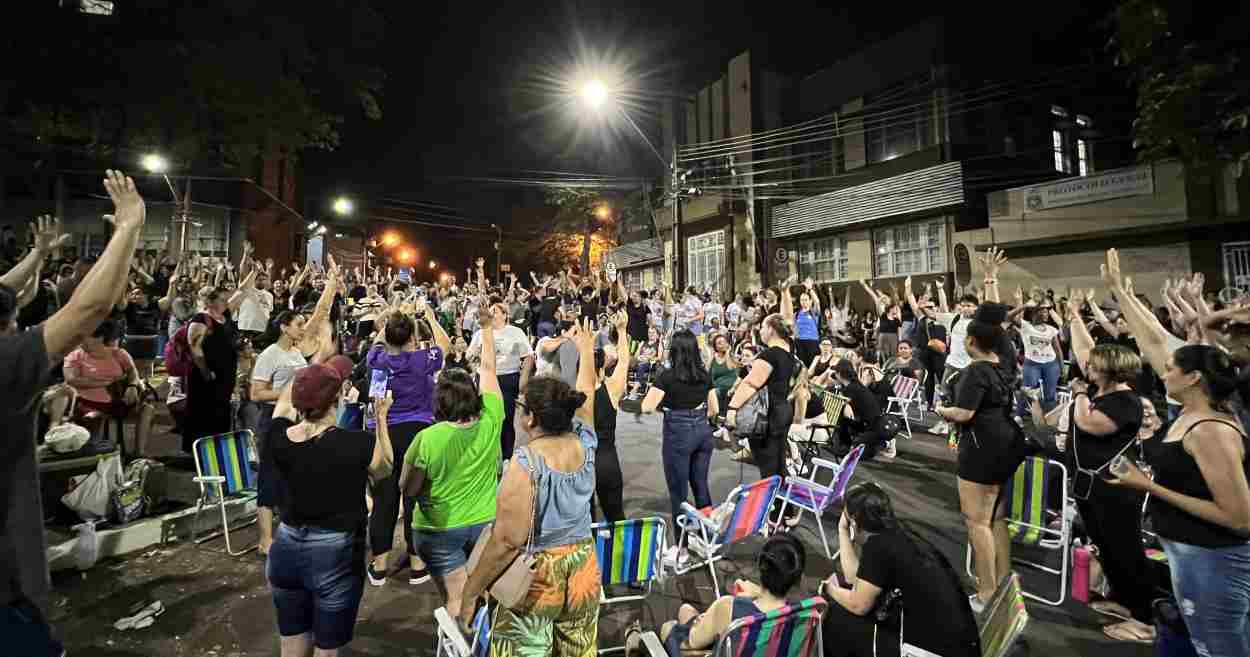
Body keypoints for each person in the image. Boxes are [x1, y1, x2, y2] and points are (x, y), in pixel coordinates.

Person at [2, 176, 143, 655]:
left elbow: (6, 291)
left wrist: (38, 256)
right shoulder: (5, 363)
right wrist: (128, 227)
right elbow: (89, 308)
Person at [1100, 250, 1250, 654]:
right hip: (1190, 555)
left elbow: (1239, 518)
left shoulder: (1213, 430)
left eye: (1170, 369)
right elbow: (1151, 339)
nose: (1161, 372)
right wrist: (1119, 292)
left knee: (1220, 649)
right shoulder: (1192, 411)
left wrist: (1148, 485)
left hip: (1215, 560)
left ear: (1194, 377)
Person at [460, 318, 601, 657]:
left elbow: (508, 542)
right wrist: (585, 348)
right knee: (578, 650)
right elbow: (588, 389)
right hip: (584, 566)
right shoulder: (584, 438)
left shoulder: (525, 464)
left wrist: (471, 591)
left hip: (540, 577)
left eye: (522, 407)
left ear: (531, 419)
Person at [266, 355, 395, 657]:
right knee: (327, 649)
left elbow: (283, 406)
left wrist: (306, 374)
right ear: (337, 399)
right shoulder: (357, 444)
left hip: (285, 546)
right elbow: (385, 468)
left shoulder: (277, 438)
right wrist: (382, 417)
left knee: (291, 643)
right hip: (335, 553)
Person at [398, 303, 501, 620]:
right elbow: (489, 369)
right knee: (482, 592)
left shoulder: (428, 439)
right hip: (485, 523)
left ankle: (461, 643)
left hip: (439, 527)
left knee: (456, 597)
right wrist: (485, 328)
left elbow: (408, 487)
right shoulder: (492, 419)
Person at [1066, 294, 1156, 642]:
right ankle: (1124, 600)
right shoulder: (1101, 391)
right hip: (1093, 488)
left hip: (1116, 491)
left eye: (1094, 365)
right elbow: (1082, 349)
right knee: (1108, 548)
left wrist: (1078, 396)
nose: (1087, 366)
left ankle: (1146, 620)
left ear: (1110, 370)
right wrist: (1074, 314)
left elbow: (1089, 425)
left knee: (1127, 551)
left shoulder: (1126, 401)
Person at [933, 302, 1027, 611]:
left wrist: (942, 411)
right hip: (1007, 443)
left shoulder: (976, 371)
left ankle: (987, 592)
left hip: (983, 447)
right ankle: (1002, 579)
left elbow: (964, 412)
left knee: (977, 521)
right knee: (996, 518)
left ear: (971, 341)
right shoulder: (1005, 365)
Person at [820, 483, 980, 657]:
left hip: (937, 650)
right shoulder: (897, 533)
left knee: (833, 619)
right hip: (963, 642)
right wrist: (842, 531)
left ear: (855, 518)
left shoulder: (878, 547)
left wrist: (829, 589)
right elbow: (853, 580)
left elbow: (858, 605)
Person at [627, 534, 806, 657]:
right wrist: (758, 592)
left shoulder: (729, 607)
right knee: (686, 610)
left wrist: (705, 621)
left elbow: (693, 642)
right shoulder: (808, 613)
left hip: (715, 641)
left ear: (761, 567)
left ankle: (634, 639)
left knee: (669, 627)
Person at [728, 281, 802, 520]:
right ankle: (785, 512)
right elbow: (787, 319)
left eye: (763, 326)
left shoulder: (770, 354)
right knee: (778, 463)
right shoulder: (789, 349)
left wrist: (732, 408)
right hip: (783, 411)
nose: (760, 329)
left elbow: (750, 383)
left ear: (771, 330)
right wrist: (785, 293)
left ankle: (775, 518)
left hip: (768, 415)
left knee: (769, 467)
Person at [642, 329, 718, 546]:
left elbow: (646, 406)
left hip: (678, 434)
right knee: (701, 486)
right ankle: (707, 538)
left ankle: (681, 548)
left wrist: (667, 407)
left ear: (673, 351)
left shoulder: (667, 376)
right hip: (703, 432)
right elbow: (714, 409)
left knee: (679, 493)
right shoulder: (704, 374)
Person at [62, 319, 158, 455]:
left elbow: (132, 371)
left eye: (85, 336)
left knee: (148, 409)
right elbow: (71, 379)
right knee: (92, 418)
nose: (81, 340)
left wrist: (131, 385)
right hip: (88, 404)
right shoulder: (75, 355)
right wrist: (106, 382)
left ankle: (139, 453)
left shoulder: (118, 353)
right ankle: (95, 453)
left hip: (118, 401)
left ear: (99, 338)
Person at [184, 282, 247, 452]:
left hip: (226, 373)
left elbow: (242, 291)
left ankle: (217, 448)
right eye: (221, 299)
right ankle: (200, 451)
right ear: (210, 302)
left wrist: (253, 270)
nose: (226, 302)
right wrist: (206, 372)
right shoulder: (200, 320)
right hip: (206, 376)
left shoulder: (225, 315)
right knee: (204, 410)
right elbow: (195, 349)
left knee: (221, 409)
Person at [469, 295, 534, 457]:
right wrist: (475, 356)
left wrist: (524, 379)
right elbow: (469, 356)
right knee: (485, 416)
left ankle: (506, 455)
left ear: (505, 315)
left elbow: (528, 355)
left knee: (505, 418)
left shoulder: (515, 332)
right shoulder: (480, 333)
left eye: (496, 311)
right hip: (485, 378)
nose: (492, 314)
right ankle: (489, 452)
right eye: (490, 311)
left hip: (507, 378)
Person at [592, 311, 632, 522]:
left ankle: (591, 555)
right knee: (616, 517)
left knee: (585, 522)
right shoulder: (611, 388)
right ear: (601, 366)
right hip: (606, 460)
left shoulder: (573, 393)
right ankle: (623, 553)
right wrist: (622, 330)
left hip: (582, 463)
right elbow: (624, 361)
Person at [829, 359, 891, 461]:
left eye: (836, 373)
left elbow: (843, 403)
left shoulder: (851, 388)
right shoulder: (855, 385)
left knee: (841, 415)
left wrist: (845, 405)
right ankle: (843, 445)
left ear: (839, 374)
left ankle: (842, 446)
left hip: (869, 428)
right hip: (873, 425)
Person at [792, 279, 822, 366]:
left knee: (813, 365)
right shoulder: (797, 314)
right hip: (799, 342)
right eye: (802, 300)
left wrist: (810, 289)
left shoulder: (814, 312)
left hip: (812, 342)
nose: (803, 302)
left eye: (805, 300)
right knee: (802, 365)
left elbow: (817, 302)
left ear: (810, 301)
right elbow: (794, 328)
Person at [708, 333, 738, 412]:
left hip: (730, 388)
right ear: (715, 347)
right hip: (717, 388)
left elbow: (730, 368)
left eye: (724, 342)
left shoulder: (732, 357)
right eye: (719, 343)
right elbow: (707, 370)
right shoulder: (714, 357)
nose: (723, 344)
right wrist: (711, 356)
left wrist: (728, 352)